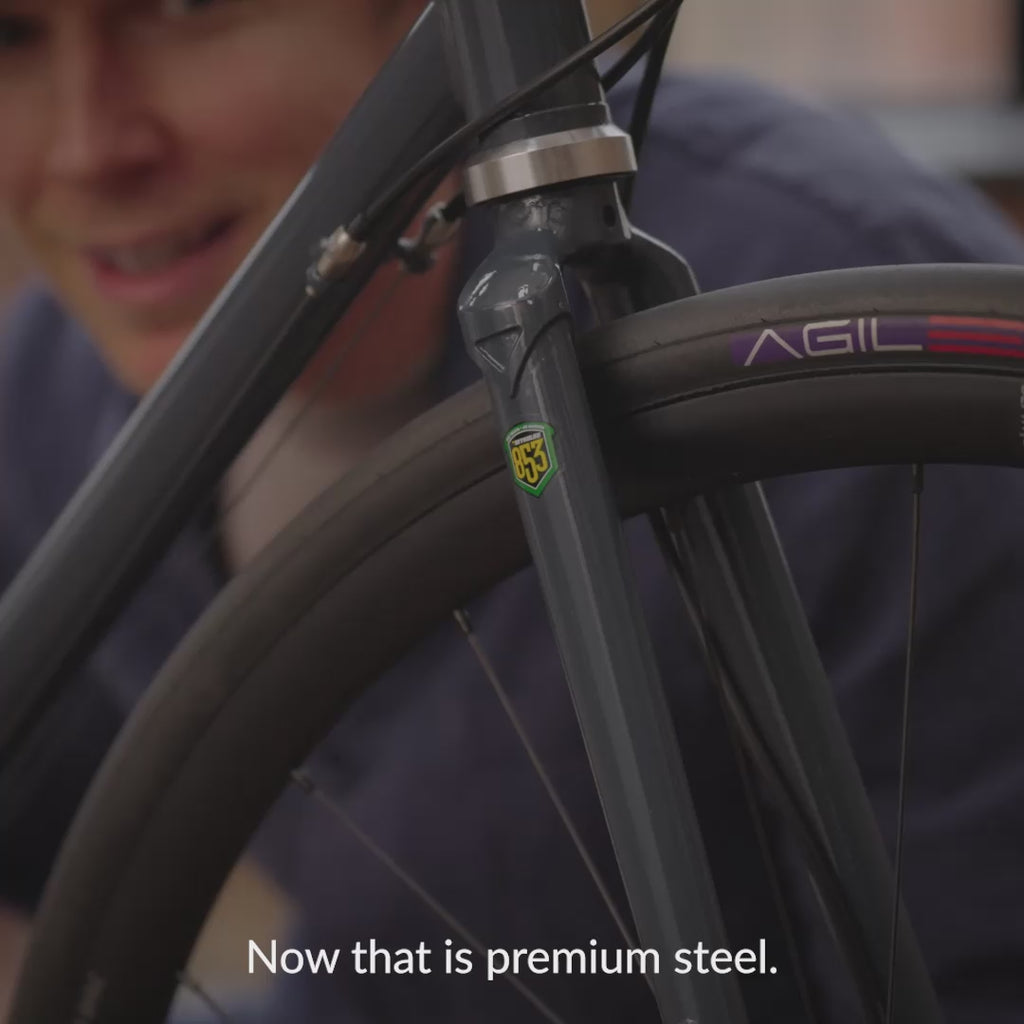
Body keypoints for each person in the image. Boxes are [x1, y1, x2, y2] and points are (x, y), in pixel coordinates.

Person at [1, 1, 1024, 1022]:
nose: (89, 151)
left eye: (180, 7)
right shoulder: (43, 393)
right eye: (9, 37)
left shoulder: (834, 331)